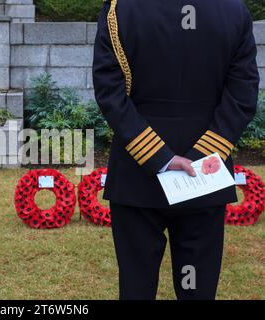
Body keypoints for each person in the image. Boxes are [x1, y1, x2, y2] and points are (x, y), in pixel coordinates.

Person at [93, 0, 259, 299]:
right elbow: (243, 93)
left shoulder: (121, 9)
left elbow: (110, 92)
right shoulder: (233, 9)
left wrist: (161, 157)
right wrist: (202, 156)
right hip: (205, 176)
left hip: (137, 175)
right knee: (196, 287)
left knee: (137, 287)